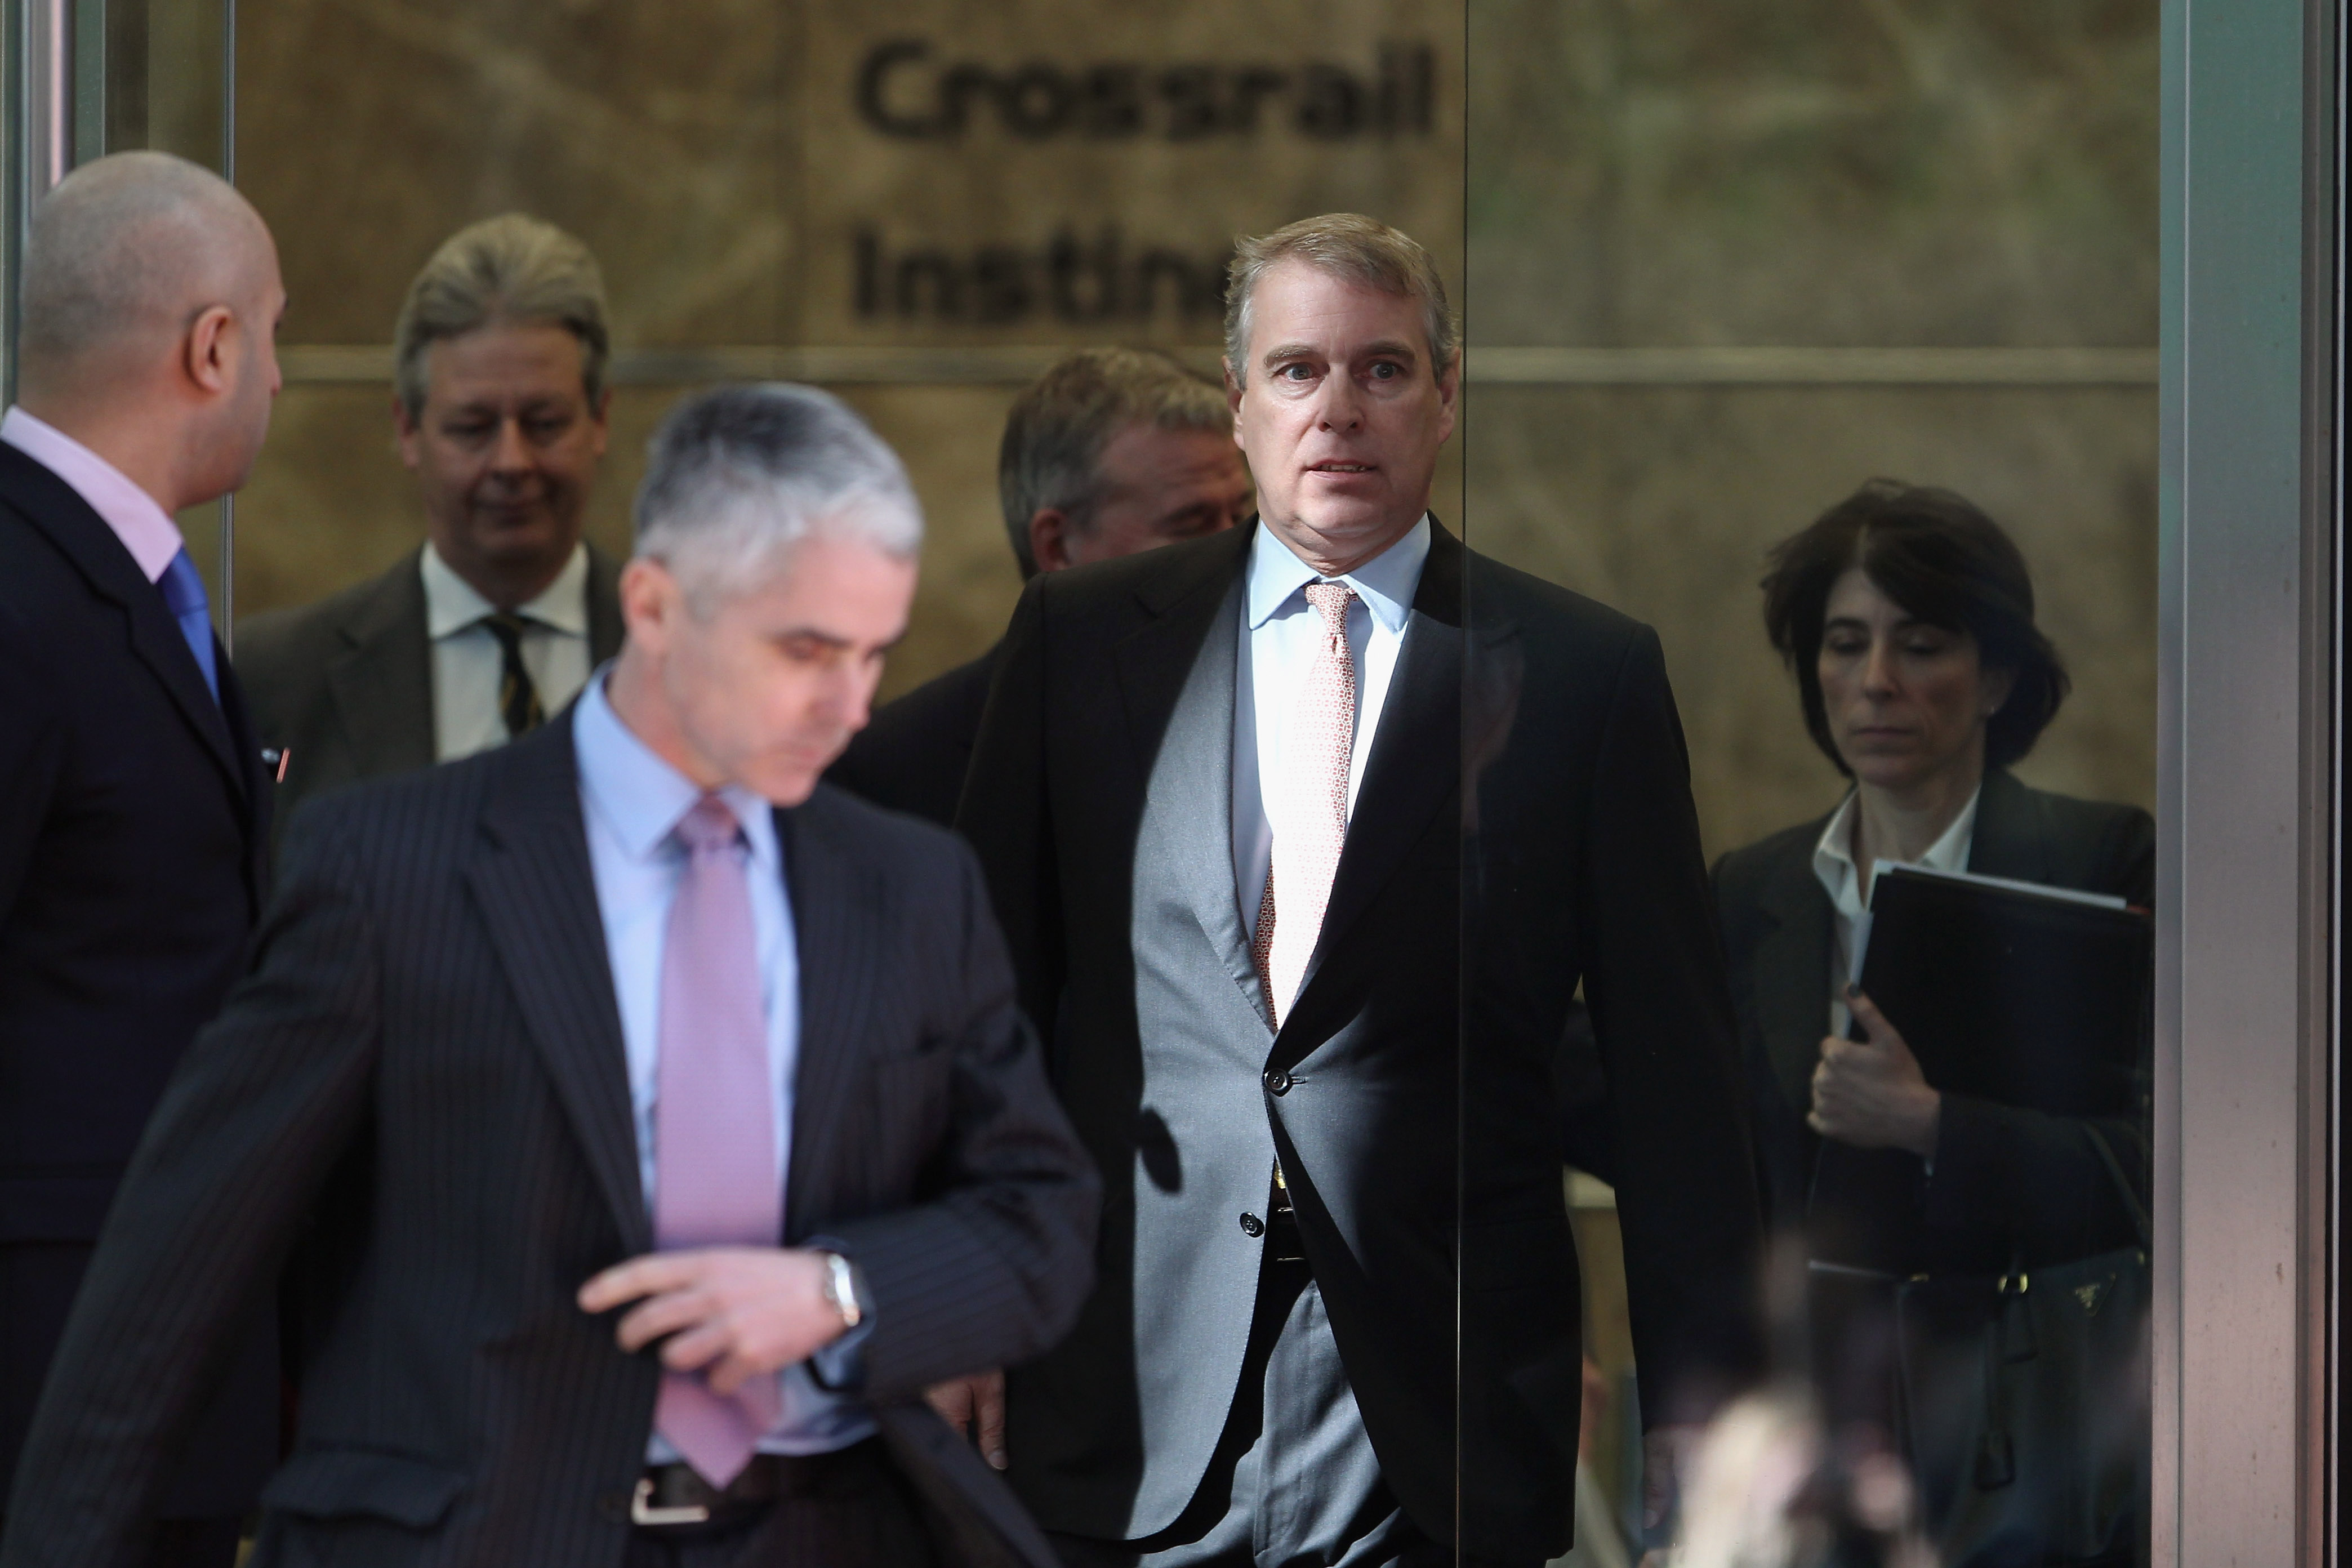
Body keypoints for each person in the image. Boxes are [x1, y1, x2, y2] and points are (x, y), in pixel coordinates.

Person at [0, 385, 1101, 1568]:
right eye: (806, 651)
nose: (854, 706)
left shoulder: (908, 884)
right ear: (655, 607)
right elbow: (170, 1284)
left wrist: (839, 1291)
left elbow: (1037, 1221)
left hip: (830, 1532)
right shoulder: (391, 872)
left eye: (874, 653)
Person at [955, 214, 1762, 1567]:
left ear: (1446, 396)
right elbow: (974, 1011)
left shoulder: (1582, 674)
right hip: (1126, 1379)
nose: (1337, 410)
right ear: (1238, 403)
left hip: (1431, 1399)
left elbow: (1674, 1081)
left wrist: (1707, 1399)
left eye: (1382, 370)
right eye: (1295, 371)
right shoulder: (1084, 642)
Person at [1710, 480, 2152, 1559]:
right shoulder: (1755, 888)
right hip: (1815, 1427)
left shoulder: (2101, 861)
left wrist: (1933, 1124)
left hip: (2037, 1416)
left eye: (1921, 644)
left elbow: (2161, 1171)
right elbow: (1716, 1177)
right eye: (1845, 643)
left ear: (1997, 673)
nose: (1875, 683)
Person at [0, 151, 286, 1568]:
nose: (284, 380)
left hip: (137, 1368)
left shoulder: (113, 580)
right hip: (50, 1394)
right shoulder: (22, 588)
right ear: (212, 346)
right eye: (277, 333)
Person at [238, 213, 625, 841]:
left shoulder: (686, 659)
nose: (512, 462)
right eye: (472, 428)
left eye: (545, 422)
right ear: (407, 430)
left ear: (600, 419)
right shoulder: (275, 681)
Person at [827, 346, 1251, 826]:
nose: (1233, 550)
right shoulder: (890, 772)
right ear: (1058, 545)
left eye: (1239, 514)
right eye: (1190, 523)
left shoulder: (1285, 719)